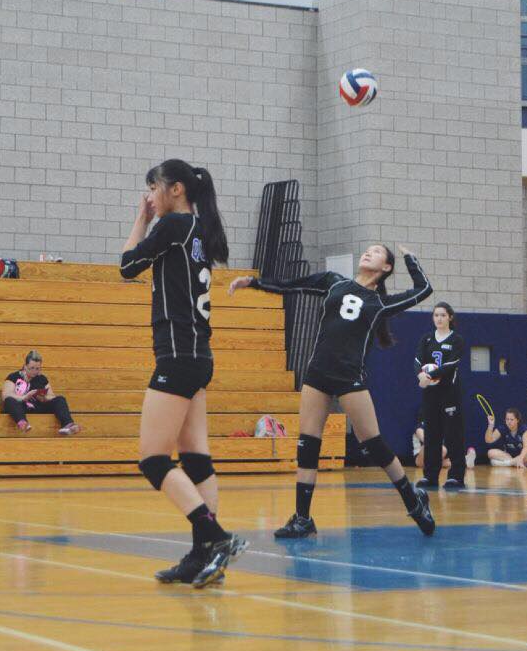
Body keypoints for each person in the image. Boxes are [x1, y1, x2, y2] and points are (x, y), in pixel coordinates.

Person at [229, 245, 436, 538]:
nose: (368, 253)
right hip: (318, 373)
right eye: (368, 249)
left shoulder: (380, 302)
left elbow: (424, 289)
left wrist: (409, 258)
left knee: (374, 445)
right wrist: (254, 282)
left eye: (377, 252)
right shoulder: (334, 282)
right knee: (307, 444)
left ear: (386, 267)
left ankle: (414, 502)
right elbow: (293, 285)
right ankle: (303, 518)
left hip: (349, 377)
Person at [120, 158, 247, 588]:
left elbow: (127, 266)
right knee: (195, 457)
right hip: (198, 355)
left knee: (153, 460)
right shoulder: (200, 231)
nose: (149, 197)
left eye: (153, 188)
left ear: (175, 189)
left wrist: (141, 220)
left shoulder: (174, 226)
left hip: (177, 356)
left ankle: (216, 537)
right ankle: (201, 556)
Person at [415, 302, 466, 489]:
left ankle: (456, 476)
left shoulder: (456, 340)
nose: (439, 318)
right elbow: (418, 360)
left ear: (450, 317)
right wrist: (420, 375)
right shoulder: (426, 339)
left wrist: (430, 376)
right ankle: (430, 476)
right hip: (431, 394)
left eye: (443, 315)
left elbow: (451, 364)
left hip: (449, 393)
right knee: (432, 435)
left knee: (453, 435)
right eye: (436, 315)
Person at [1, 350, 80, 435]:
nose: (34, 371)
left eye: (37, 369)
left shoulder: (42, 378)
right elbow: (6, 394)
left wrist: (44, 398)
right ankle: (23, 423)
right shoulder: (14, 376)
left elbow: (51, 396)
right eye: (32, 368)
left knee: (60, 399)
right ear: (25, 366)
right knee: (9, 400)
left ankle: (68, 424)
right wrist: (24, 397)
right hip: (21, 407)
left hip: (37, 406)